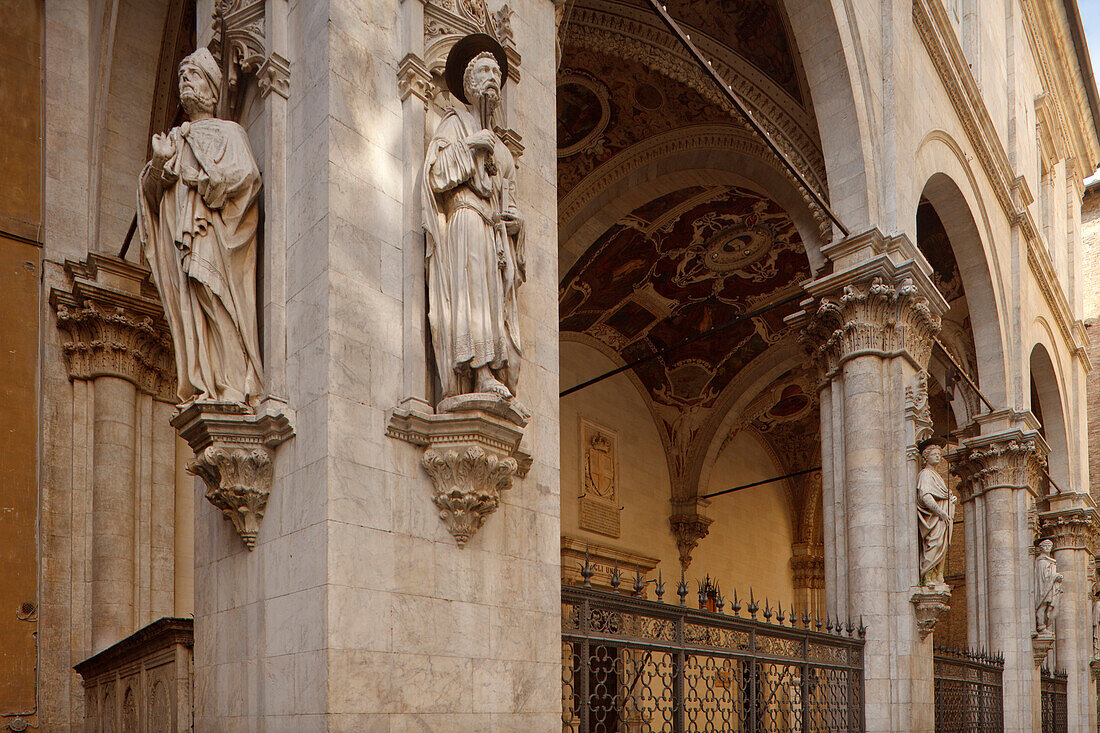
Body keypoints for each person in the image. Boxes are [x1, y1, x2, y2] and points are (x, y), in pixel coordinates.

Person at [138, 47, 263, 406]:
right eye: (181, 77)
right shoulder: (174, 140)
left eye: (192, 75)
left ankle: (232, 382)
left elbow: (248, 178)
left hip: (213, 235)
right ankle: (206, 381)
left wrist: (203, 181)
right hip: (183, 240)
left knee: (214, 295)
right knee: (192, 304)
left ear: (211, 88)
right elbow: (150, 196)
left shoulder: (230, 132)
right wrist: (161, 163)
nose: (183, 82)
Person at [423, 34, 525, 404]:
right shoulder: (453, 125)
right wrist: (470, 148)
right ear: (468, 83)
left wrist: (517, 228)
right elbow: (435, 177)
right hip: (464, 220)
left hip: (492, 233)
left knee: (491, 301)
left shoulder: (504, 152)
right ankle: (477, 373)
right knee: (471, 295)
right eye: (484, 70)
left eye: (496, 71)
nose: (492, 76)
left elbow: (510, 202)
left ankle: (492, 370)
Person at [916, 436, 956, 587]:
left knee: (941, 546)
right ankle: (927, 576)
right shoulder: (925, 474)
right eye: (934, 454)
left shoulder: (937, 476)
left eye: (939, 454)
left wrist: (949, 500)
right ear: (925, 457)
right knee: (934, 545)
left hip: (941, 519)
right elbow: (925, 496)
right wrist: (940, 512)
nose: (938, 456)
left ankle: (937, 575)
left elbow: (940, 496)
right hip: (934, 519)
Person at [1035, 538, 1063, 633]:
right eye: (1045, 546)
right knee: (1042, 605)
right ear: (1041, 548)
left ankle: (1044, 625)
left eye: (1049, 546)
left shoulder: (1048, 560)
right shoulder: (1041, 561)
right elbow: (1043, 576)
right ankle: (1041, 626)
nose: (1047, 548)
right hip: (1043, 587)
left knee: (1048, 606)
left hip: (1049, 586)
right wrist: (1055, 576)